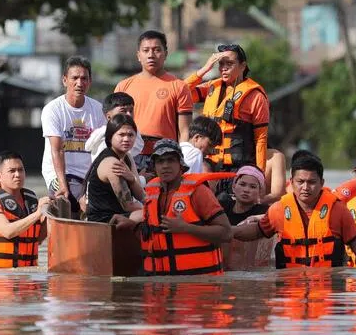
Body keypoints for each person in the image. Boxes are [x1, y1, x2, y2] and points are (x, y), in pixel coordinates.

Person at [256, 150, 356, 269]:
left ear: (322, 183)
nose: (305, 187)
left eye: (311, 182)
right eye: (300, 182)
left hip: (330, 284)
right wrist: (236, 230)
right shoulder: (279, 209)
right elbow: (255, 231)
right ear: (292, 182)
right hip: (291, 285)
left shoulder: (337, 209)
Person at [136, 139, 232, 276]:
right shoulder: (151, 192)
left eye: (171, 160)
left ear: (180, 164)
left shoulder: (199, 192)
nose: (165, 166)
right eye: (160, 161)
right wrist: (129, 224)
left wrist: (187, 228)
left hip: (199, 284)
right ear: (154, 166)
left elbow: (227, 233)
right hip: (161, 283)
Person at [184, 43, 269, 170]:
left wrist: (259, 173)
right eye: (221, 64)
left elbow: (261, 139)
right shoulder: (211, 87)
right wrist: (204, 69)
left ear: (242, 66)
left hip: (238, 167)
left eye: (229, 64)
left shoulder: (256, 96)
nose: (223, 68)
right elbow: (180, 92)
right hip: (208, 164)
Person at [41, 56, 106, 217]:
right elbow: (57, 150)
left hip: (88, 174)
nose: (79, 83)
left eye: (84, 78)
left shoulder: (98, 109)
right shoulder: (53, 109)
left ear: (89, 82)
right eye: (74, 78)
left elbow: (102, 149)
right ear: (64, 80)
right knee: (66, 214)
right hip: (61, 173)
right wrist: (64, 187)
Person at [114, 30, 194, 152]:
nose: (151, 55)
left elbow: (184, 131)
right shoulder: (123, 86)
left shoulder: (179, 87)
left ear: (166, 54)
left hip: (164, 156)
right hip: (131, 155)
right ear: (138, 55)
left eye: (156, 50)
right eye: (146, 50)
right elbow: (114, 126)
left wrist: (182, 158)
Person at [0, 152, 52, 269]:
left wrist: (50, 214)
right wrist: (38, 214)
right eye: (12, 171)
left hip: (28, 275)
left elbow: (38, 239)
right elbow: (8, 231)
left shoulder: (30, 199)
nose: (17, 175)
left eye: (21, 170)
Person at [84, 114, 145, 224]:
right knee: (150, 215)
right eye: (121, 135)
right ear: (110, 137)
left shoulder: (127, 157)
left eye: (131, 135)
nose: (126, 139)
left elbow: (141, 195)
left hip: (120, 214)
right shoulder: (112, 164)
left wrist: (132, 180)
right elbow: (127, 206)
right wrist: (153, 209)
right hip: (102, 221)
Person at [84, 91, 144, 162]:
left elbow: (137, 149)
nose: (129, 115)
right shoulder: (103, 136)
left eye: (131, 111)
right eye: (123, 111)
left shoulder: (134, 131)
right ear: (108, 116)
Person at [219, 165, 269, 229]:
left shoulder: (264, 212)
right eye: (242, 184)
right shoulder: (221, 207)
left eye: (253, 187)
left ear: (259, 192)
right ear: (233, 187)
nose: (246, 190)